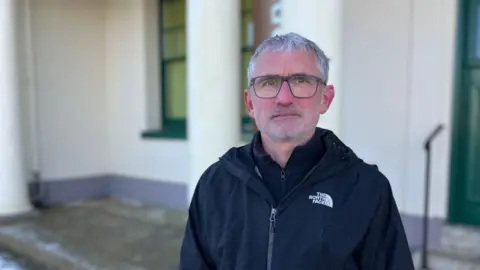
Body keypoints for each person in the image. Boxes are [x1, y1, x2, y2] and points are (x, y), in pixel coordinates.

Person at [179, 32, 414, 270]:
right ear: (250, 103)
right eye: (268, 83)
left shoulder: (367, 188)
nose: (284, 98)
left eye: (301, 81)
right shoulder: (215, 183)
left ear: (326, 98)